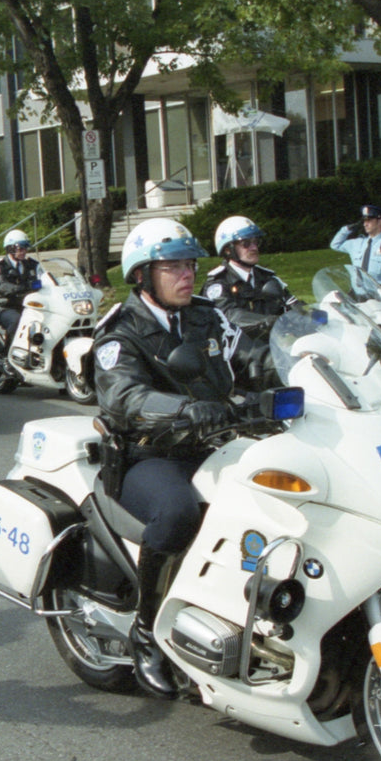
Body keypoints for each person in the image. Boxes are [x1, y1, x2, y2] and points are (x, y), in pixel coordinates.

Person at [93, 217, 275, 699]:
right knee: (177, 514)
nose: (186, 274)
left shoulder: (205, 316)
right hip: (150, 457)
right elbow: (123, 397)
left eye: (190, 263)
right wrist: (184, 410)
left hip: (216, 444)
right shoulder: (121, 331)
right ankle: (147, 631)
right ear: (142, 275)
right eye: (172, 265)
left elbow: (249, 359)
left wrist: (309, 361)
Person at [201, 215, 300, 339]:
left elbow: (293, 305)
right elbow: (231, 316)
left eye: (255, 242)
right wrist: (270, 321)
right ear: (228, 250)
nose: (254, 248)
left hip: (274, 347)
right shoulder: (218, 284)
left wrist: (317, 314)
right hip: (239, 352)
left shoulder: (267, 277)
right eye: (246, 243)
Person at [329, 204, 381, 300]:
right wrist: (347, 229)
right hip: (357, 295)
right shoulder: (356, 243)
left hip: (379, 297)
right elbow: (335, 245)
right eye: (364, 221)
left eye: (369, 220)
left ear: (379, 221)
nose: (365, 224)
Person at [0, 229, 40, 349]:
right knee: (17, 321)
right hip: (6, 307)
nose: (24, 252)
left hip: (28, 305)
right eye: (20, 248)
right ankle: (9, 354)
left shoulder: (31, 264)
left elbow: (45, 278)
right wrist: (23, 287)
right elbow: (1, 285)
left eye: (25, 248)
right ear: (10, 249)